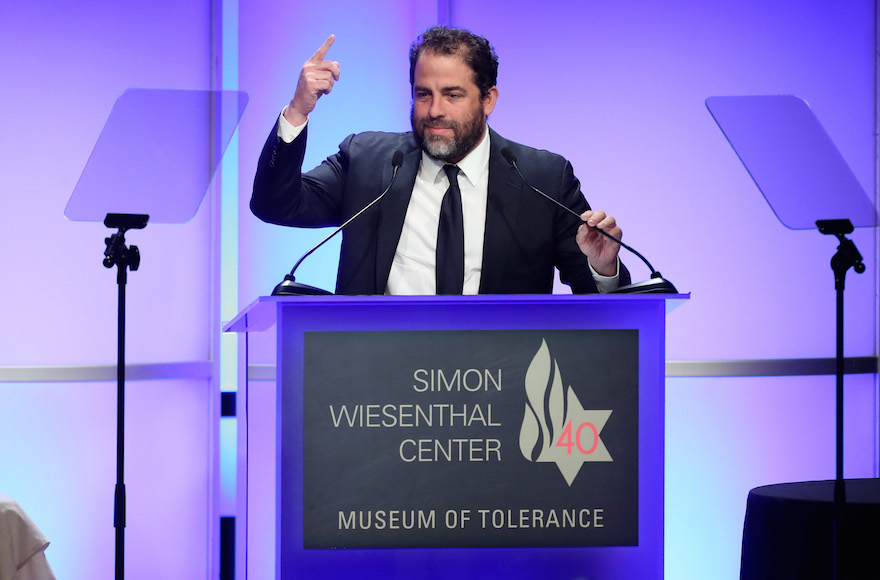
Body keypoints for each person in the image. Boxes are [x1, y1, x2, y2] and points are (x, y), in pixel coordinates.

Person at [251, 26, 630, 295]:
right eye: (423, 94)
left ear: (488, 99)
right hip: (376, 390)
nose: (434, 110)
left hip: (499, 388)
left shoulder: (542, 179)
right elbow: (275, 204)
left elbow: (598, 300)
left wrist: (603, 267)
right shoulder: (367, 161)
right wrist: (299, 109)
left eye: (452, 95)